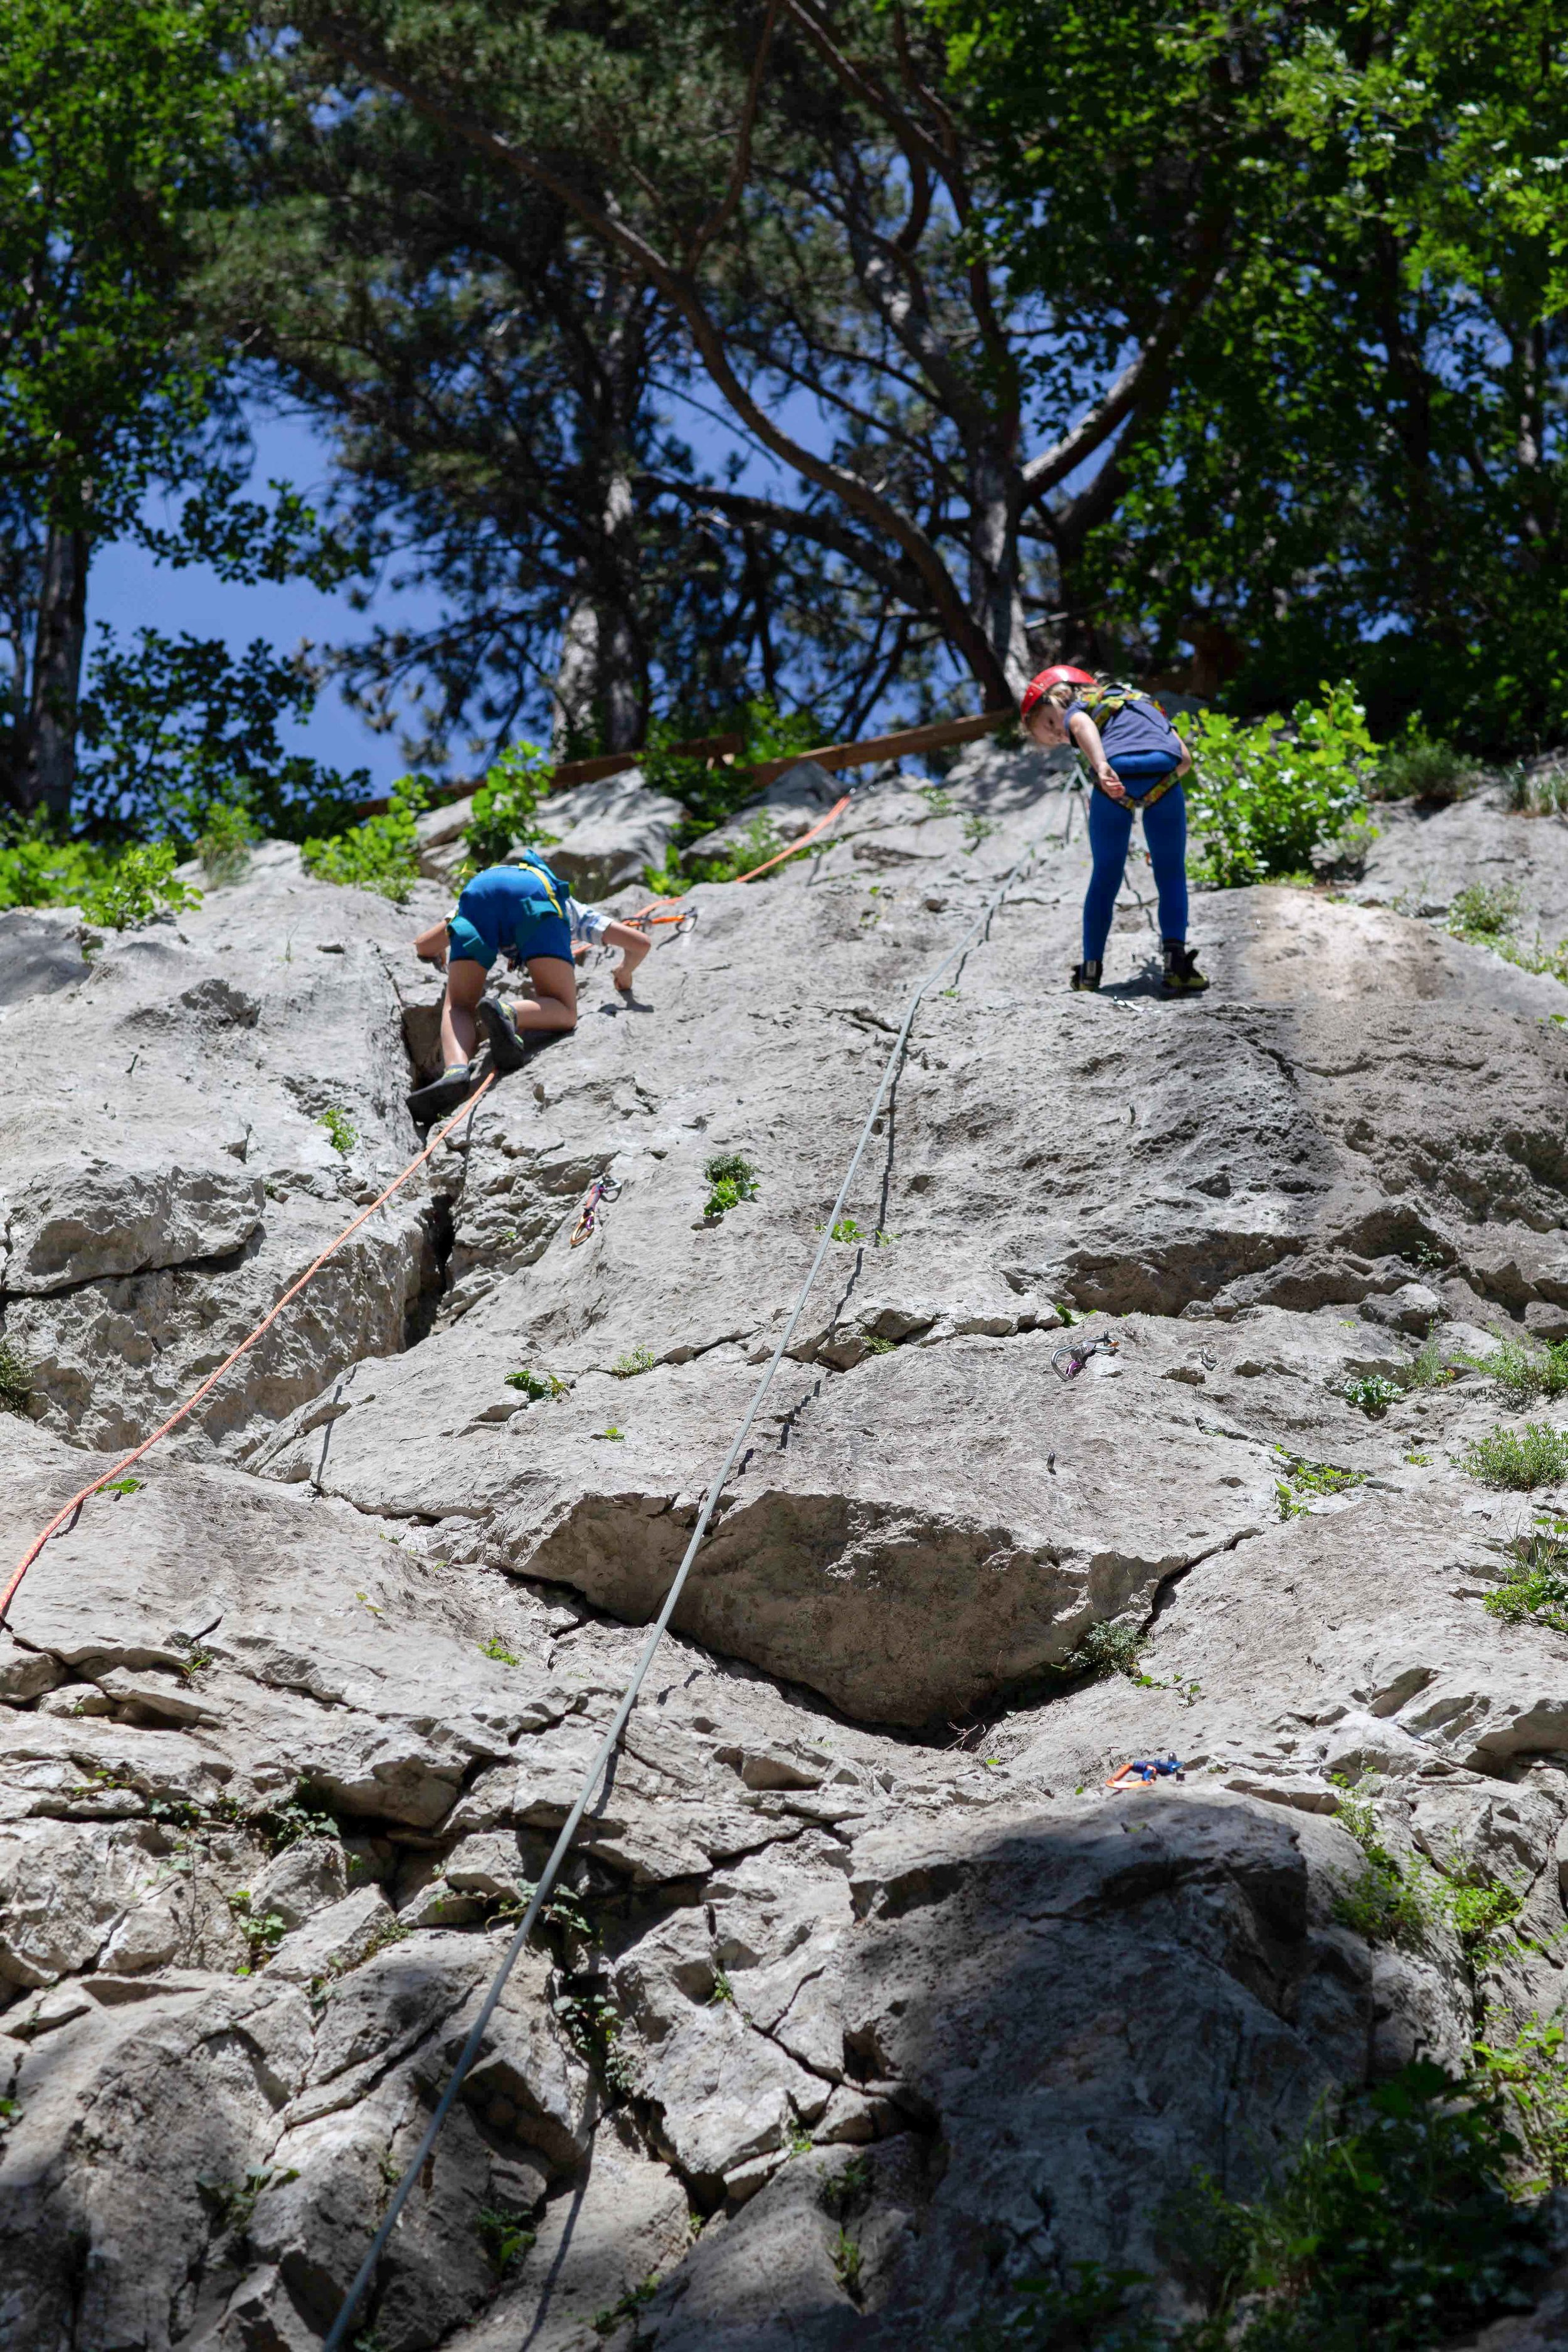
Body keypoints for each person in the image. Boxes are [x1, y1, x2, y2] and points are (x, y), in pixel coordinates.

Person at [1020, 664, 1208, 995]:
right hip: (1165, 776)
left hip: (1114, 778)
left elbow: (1079, 723)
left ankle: (1090, 973)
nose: (1062, 734)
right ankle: (1177, 965)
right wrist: (1156, 803)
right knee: (1172, 872)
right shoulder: (1146, 703)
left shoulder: (1079, 708)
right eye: (1056, 738)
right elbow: (1185, 758)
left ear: (1062, 693)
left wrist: (1102, 763)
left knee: (1106, 875)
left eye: (1052, 723)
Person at [408, 852, 578, 1120]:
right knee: (564, 1008)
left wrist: (439, 949)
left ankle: (456, 1070)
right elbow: (626, 936)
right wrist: (625, 971)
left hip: (477, 896)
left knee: (460, 1005)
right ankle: (509, 1013)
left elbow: (423, 945)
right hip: (535, 899)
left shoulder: (484, 887)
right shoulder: (561, 899)